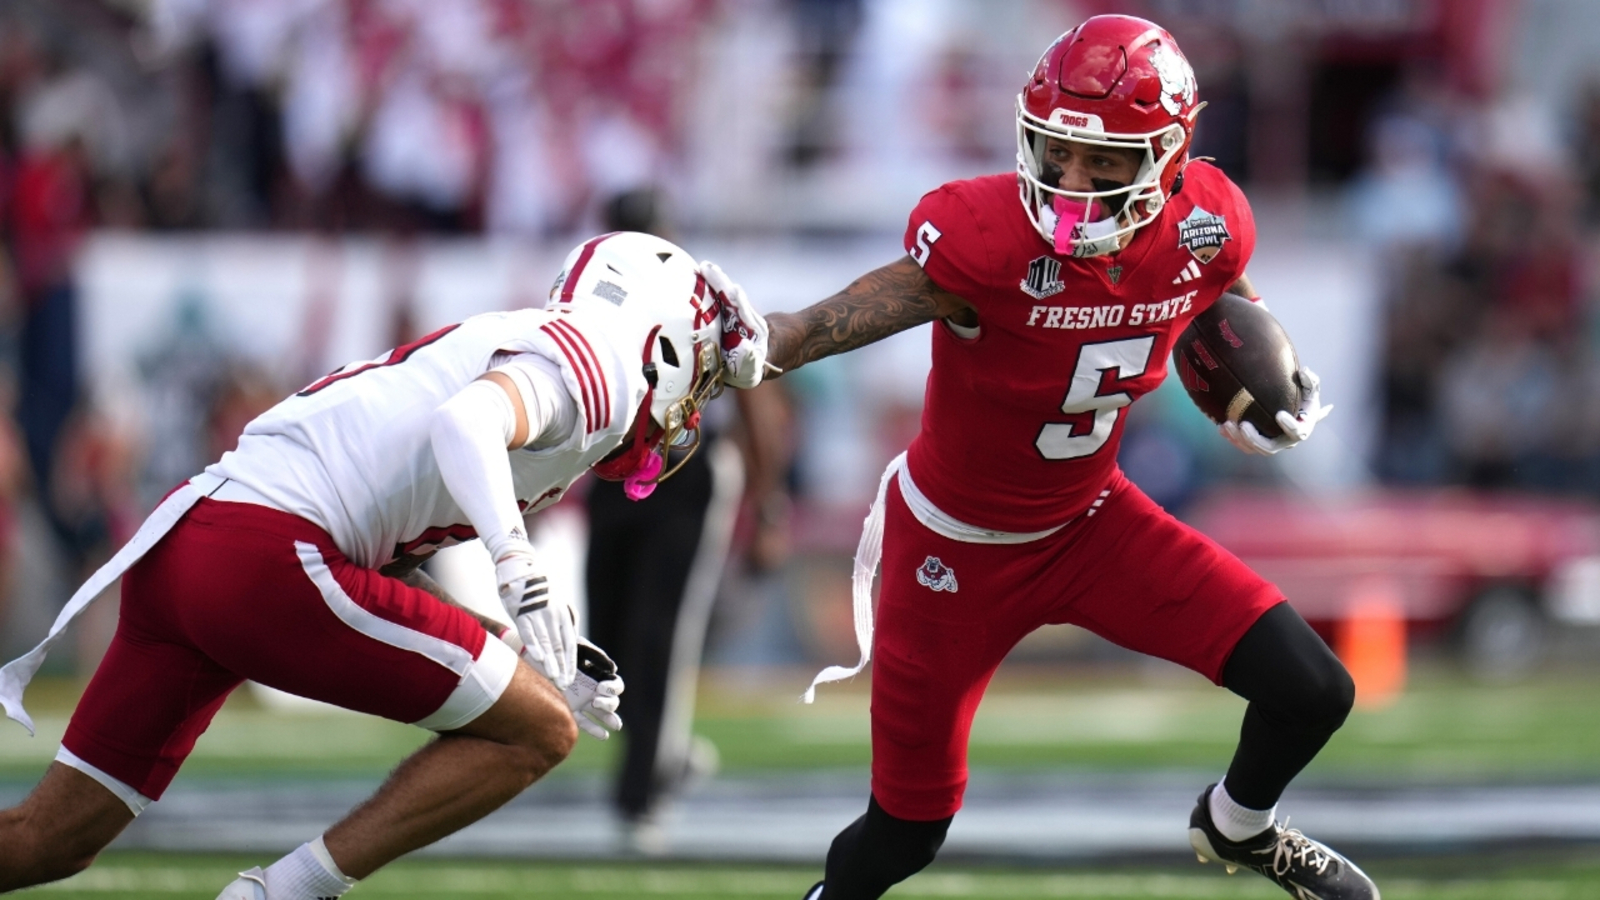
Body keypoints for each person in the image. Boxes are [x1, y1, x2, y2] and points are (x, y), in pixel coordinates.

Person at [710, 14, 1374, 900]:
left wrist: (1259, 381)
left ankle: (1238, 824)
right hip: (951, 551)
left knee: (1315, 689)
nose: (1071, 183)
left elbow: (1219, 290)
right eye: (1056, 154)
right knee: (906, 833)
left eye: (1103, 163)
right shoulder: (986, 239)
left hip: (1093, 525)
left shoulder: (1207, 222)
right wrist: (757, 342)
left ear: (1168, 160)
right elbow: (837, 318)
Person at [0, 231, 761, 898]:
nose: (692, 404)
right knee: (538, 731)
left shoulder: (529, 345)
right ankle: (288, 892)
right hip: (269, 553)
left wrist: (515, 646)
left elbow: (382, 559)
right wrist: (516, 565)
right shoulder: (595, 371)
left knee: (51, 839)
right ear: (658, 340)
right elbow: (467, 422)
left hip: (192, 540)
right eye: (698, 371)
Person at [585, 189, 794, 851]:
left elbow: (754, 394)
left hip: (686, 470)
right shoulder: (590, 292)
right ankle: (666, 755)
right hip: (613, 472)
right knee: (605, 636)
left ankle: (643, 793)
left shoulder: (701, 295)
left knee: (659, 633)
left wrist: (767, 506)